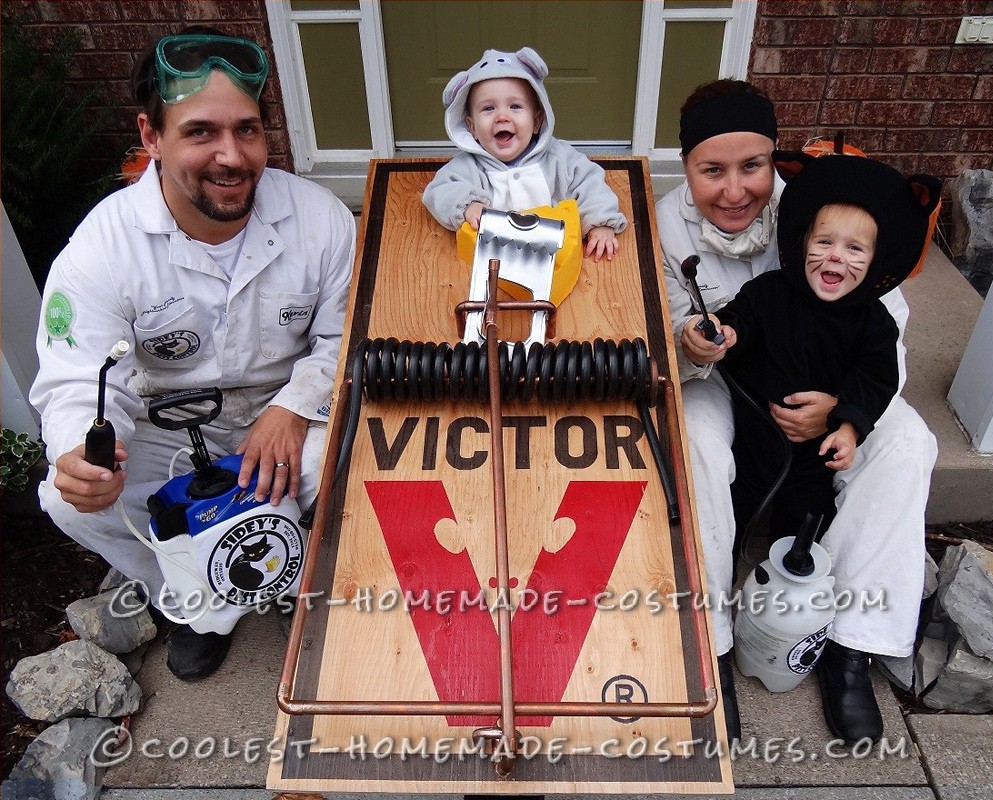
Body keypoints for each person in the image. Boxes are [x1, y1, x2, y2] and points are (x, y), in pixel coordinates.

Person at [30, 28, 356, 681]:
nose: (231, 156)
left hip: (284, 417)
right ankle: (193, 603)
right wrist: (82, 452)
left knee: (358, 450)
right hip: (165, 428)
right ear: (151, 135)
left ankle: (285, 565)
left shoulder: (320, 220)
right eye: (201, 132)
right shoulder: (103, 248)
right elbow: (78, 376)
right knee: (67, 500)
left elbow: (343, 336)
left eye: (248, 130)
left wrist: (295, 403)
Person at [656, 80, 937, 744]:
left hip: (831, 386)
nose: (734, 190)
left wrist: (844, 409)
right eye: (711, 170)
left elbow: (883, 318)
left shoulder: (825, 206)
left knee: (910, 442)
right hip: (725, 382)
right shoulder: (665, 225)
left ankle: (846, 639)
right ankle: (712, 639)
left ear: (775, 161)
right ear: (686, 167)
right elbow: (668, 322)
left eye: (752, 166)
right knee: (693, 439)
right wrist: (692, 342)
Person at [686, 152, 940, 549]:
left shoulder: (873, 323)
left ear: (876, 261)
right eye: (824, 242)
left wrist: (849, 426)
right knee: (732, 511)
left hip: (815, 453)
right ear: (803, 242)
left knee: (806, 521)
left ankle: (790, 581)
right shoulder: (771, 291)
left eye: (856, 249)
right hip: (756, 434)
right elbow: (742, 318)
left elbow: (875, 378)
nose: (837, 255)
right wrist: (727, 332)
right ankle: (724, 567)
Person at [422, 46, 627, 261]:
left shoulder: (559, 158)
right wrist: (467, 206)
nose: (502, 116)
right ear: (472, 128)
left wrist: (600, 222)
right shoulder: (468, 166)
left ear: (537, 121)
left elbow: (589, 183)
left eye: (515, 106)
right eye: (488, 109)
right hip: (493, 261)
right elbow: (438, 191)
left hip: (556, 256)